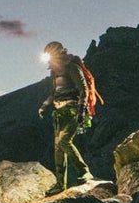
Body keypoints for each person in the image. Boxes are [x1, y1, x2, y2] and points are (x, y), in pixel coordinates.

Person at [38, 40, 96, 193]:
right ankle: (60, 184)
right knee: (58, 148)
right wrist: (44, 105)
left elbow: (84, 90)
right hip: (58, 113)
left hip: (72, 111)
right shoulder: (54, 72)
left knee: (64, 141)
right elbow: (54, 92)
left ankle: (84, 172)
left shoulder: (72, 68)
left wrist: (82, 111)